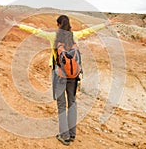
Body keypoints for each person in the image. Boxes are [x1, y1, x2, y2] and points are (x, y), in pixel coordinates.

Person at [6, 15, 115, 145]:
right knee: (72, 103)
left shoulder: (54, 37)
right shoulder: (75, 35)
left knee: (62, 105)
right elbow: (90, 30)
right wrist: (105, 24)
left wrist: (17, 25)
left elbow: (36, 31)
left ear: (58, 25)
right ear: (69, 25)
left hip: (59, 75)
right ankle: (72, 134)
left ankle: (64, 136)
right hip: (73, 75)